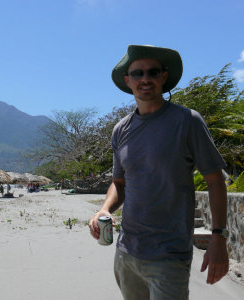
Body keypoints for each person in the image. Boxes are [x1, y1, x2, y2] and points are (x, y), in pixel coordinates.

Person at [88, 45, 229, 300]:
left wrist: (218, 238)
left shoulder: (188, 121)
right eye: (138, 73)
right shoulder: (121, 129)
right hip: (126, 253)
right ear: (128, 80)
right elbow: (119, 183)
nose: (146, 79)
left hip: (169, 256)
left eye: (153, 72)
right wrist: (104, 209)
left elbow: (215, 181)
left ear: (164, 77)